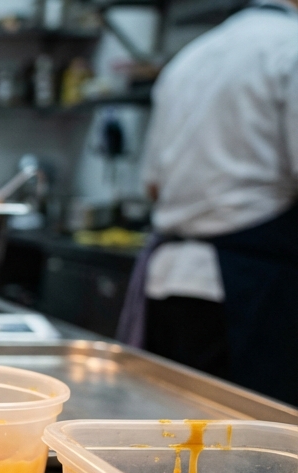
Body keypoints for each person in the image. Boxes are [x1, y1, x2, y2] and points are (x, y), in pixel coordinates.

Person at [119, 0, 298, 402]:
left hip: (170, 281)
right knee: (253, 429)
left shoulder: (192, 56)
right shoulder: (291, 46)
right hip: (249, 289)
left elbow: (153, 186)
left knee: (170, 422)